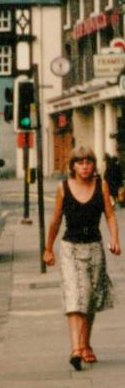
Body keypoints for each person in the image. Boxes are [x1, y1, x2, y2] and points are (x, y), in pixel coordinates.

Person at [43, 146, 120, 370]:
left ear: (94, 165)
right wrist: (48, 249)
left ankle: (86, 345)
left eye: (88, 162)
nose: (85, 166)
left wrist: (115, 239)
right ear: (73, 166)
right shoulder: (63, 187)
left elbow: (110, 214)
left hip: (95, 248)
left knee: (91, 299)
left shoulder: (101, 186)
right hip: (70, 249)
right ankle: (76, 348)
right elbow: (56, 220)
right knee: (75, 296)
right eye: (80, 162)